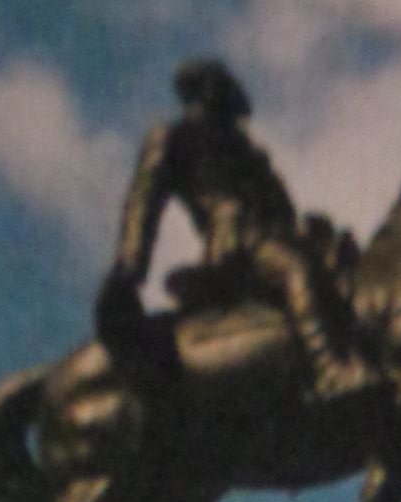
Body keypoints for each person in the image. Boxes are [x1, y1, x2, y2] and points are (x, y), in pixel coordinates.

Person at [104, 57, 377, 401]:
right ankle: (329, 370)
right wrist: (129, 270)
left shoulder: (250, 153)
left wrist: (310, 229)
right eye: (222, 91)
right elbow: (142, 202)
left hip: (276, 236)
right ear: (205, 92)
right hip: (237, 246)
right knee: (297, 269)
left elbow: (281, 206)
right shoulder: (176, 137)